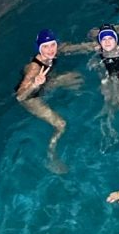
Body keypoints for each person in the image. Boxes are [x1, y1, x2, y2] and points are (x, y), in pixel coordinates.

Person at [14, 29, 84, 173]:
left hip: (44, 85)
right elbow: (20, 96)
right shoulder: (34, 68)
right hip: (31, 98)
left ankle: (72, 96)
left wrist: (97, 44)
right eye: (45, 46)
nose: (50, 49)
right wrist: (35, 84)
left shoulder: (52, 54)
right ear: (39, 48)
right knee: (61, 124)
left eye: (52, 45)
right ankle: (51, 156)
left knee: (75, 77)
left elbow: (72, 48)